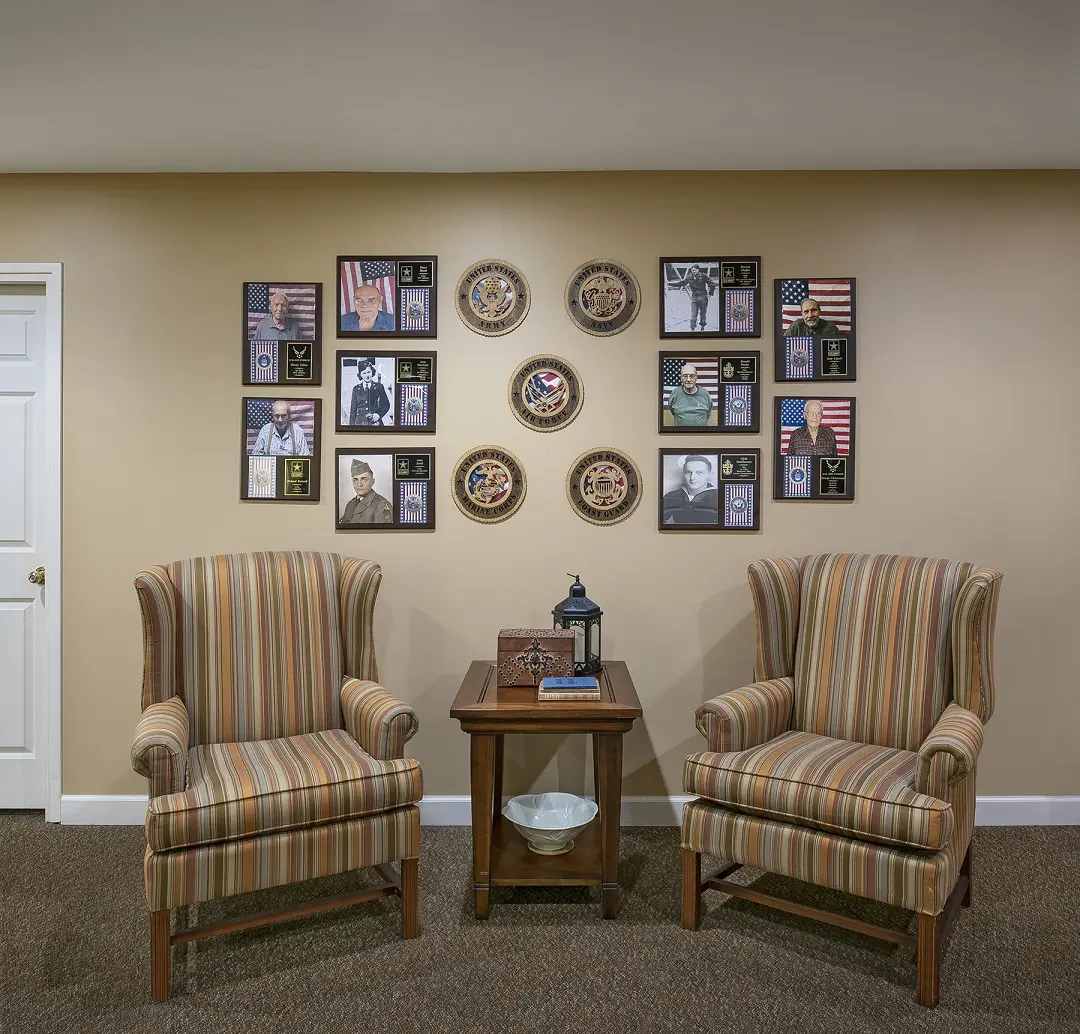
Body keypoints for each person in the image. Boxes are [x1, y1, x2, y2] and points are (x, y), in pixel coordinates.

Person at [663, 455, 719, 524]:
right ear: (683, 474)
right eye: (688, 473)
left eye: (699, 473)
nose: (692, 478)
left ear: (709, 474)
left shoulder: (719, 497)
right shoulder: (671, 496)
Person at [668, 264, 717, 331]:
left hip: (703, 297)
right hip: (694, 297)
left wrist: (710, 294)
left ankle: (702, 327)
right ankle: (692, 329)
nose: (694, 271)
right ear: (691, 270)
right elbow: (682, 283)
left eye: (695, 270)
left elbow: (712, 284)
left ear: (698, 270)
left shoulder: (703, 276)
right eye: (693, 270)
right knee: (693, 314)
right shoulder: (689, 277)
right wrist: (670, 284)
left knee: (703, 313)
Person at [342, 459, 392, 524]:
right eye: (355, 480)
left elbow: (381, 533)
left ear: (372, 482)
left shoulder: (382, 504)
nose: (359, 484)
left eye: (364, 480)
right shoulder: (350, 504)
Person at [349, 360, 391, 426]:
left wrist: (378, 415)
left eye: (368, 372)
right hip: (360, 424)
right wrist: (351, 427)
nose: (367, 375)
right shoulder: (356, 389)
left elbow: (386, 405)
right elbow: (353, 410)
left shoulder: (379, 387)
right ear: (360, 375)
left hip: (376, 423)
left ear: (372, 372)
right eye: (364, 373)